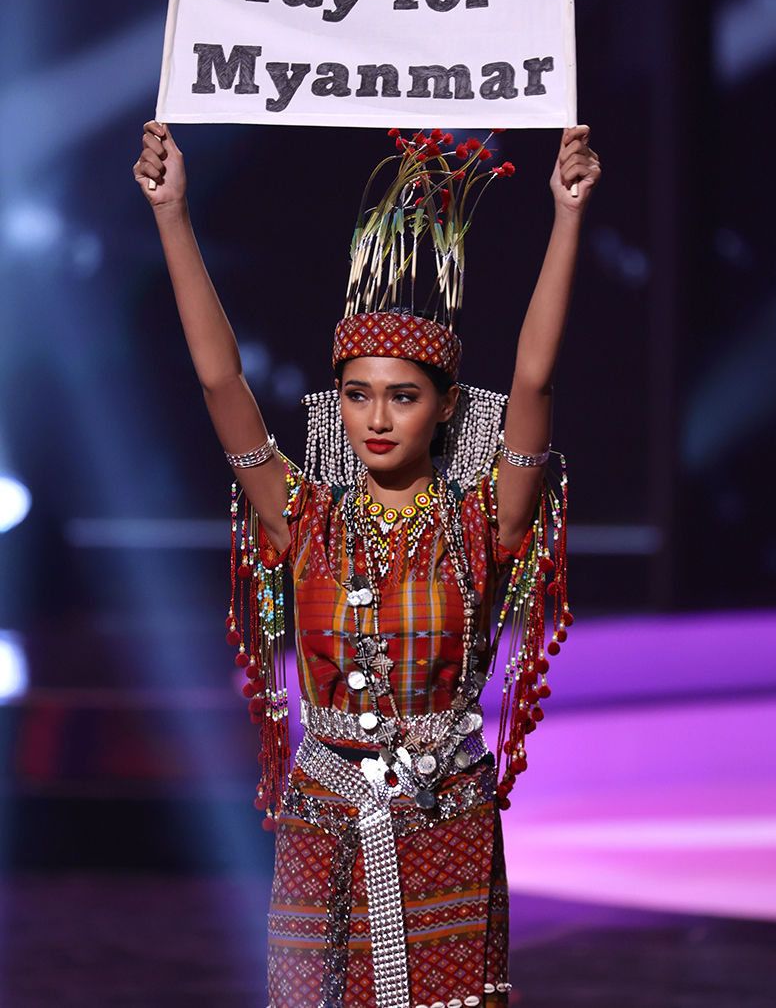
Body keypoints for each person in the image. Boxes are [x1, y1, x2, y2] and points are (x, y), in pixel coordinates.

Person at [134, 119, 600, 1008]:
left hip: (445, 812)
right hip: (324, 808)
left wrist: (567, 216)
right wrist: (172, 213)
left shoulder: (482, 525)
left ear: (445, 407)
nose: (377, 418)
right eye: (357, 394)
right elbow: (220, 382)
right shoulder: (301, 517)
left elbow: (534, 382)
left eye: (403, 396)